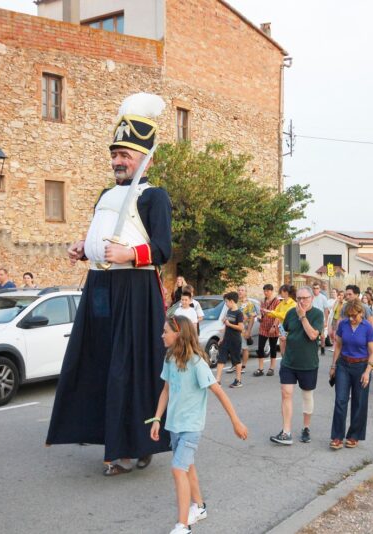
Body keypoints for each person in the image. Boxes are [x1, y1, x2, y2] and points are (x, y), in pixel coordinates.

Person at [46, 93, 172, 476]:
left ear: (144, 159)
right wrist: (83, 248)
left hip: (135, 293)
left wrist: (133, 255)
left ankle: (134, 444)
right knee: (96, 363)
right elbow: (100, 238)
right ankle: (107, 438)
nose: (118, 161)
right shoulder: (105, 194)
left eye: (126, 155)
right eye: (115, 154)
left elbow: (162, 249)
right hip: (99, 287)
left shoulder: (155, 197)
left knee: (127, 369)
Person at [150, 316, 247, 534]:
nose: (162, 335)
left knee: (178, 469)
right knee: (187, 466)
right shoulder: (169, 358)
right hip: (174, 426)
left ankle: (183, 526)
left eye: (165, 331)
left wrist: (236, 421)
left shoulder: (196, 363)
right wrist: (157, 418)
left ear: (178, 334)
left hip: (191, 427)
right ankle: (200, 507)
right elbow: (166, 390)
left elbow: (219, 392)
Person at [270, 287, 324, 446]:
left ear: (311, 298)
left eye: (305, 298)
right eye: (299, 298)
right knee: (286, 394)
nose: (301, 301)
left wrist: (303, 317)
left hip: (308, 363)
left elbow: (313, 335)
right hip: (289, 362)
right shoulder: (290, 313)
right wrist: (283, 347)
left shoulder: (317, 314)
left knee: (307, 396)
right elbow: (285, 332)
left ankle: (306, 428)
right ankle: (286, 432)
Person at [329, 299, 373, 450]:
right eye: (349, 315)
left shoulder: (367, 327)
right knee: (340, 400)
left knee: (359, 402)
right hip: (344, 365)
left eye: (354, 316)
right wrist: (333, 366)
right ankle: (337, 436)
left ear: (361, 313)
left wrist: (367, 372)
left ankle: (354, 435)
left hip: (361, 366)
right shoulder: (343, 325)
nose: (351, 318)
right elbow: (338, 345)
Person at [215, 292, 245, 388]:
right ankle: (217, 380)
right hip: (226, 339)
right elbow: (226, 326)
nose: (226, 304)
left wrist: (229, 324)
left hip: (235, 340)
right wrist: (222, 337)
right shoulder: (229, 311)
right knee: (221, 359)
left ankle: (238, 380)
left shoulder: (239, 313)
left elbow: (241, 328)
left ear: (232, 301)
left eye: (226, 302)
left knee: (236, 360)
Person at [230, 285, 258, 373]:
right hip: (234, 328)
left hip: (243, 329)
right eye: (238, 290)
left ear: (246, 292)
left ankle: (243, 366)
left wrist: (248, 331)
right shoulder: (235, 303)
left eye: (242, 290)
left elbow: (252, 318)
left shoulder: (249, 304)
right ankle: (234, 365)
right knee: (234, 348)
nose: (240, 292)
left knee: (244, 348)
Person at [254, 284, 279, 377]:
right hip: (263, 327)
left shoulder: (276, 301)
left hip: (272, 327)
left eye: (267, 291)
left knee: (273, 348)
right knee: (260, 348)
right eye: (264, 291)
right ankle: (260, 368)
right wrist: (259, 317)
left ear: (272, 291)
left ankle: (271, 368)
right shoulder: (263, 301)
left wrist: (274, 326)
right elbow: (261, 312)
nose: (266, 293)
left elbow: (278, 315)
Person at [266, 284, 296, 356]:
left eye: (281, 292)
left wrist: (271, 312)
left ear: (286, 292)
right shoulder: (281, 303)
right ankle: (284, 364)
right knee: (282, 350)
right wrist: (267, 312)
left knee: (288, 349)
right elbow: (276, 313)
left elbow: (285, 315)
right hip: (281, 327)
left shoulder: (293, 304)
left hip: (290, 328)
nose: (280, 293)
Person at [311, 283, 329, 355]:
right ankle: (314, 349)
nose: (315, 290)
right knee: (313, 335)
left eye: (317, 288)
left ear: (319, 289)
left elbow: (326, 310)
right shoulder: (310, 297)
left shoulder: (323, 297)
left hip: (320, 319)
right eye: (314, 288)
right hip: (312, 319)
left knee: (322, 336)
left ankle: (322, 349)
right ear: (312, 289)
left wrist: (326, 321)